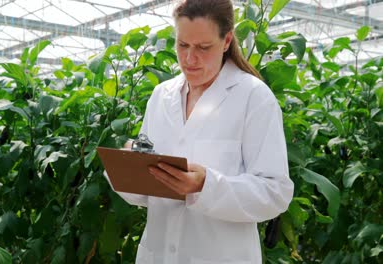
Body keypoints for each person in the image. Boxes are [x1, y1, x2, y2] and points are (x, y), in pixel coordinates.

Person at [107, 0, 294, 263]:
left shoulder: (253, 97)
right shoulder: (162, 96)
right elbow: (147, 196)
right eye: (182, 45)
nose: (189, 59)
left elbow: (275, 193)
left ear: (226, 40)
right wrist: (129, 169)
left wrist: (206, 185)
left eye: (203, 48)